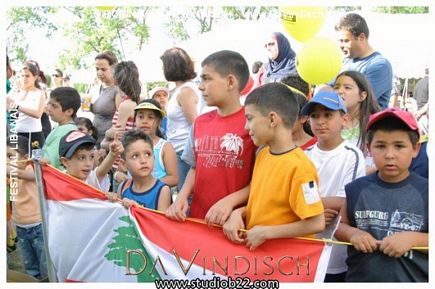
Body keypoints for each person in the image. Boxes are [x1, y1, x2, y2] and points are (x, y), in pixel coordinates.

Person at [223, 83, 325, 251]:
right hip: (260, 260)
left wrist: (267, 233)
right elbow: (264, 204)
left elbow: (316, 222)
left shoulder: (300, 168)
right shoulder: (263, 154)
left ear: (272, 119)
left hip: (284, 264)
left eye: (249, 118)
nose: (246, 127)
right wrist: (238, 213)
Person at [335, 108, 428, 282]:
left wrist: (413, 239)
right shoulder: (356, 189)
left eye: (399, 146)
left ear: (415, 149)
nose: (389, 155)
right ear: (369, 149)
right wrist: (353, 234)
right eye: (380, 146)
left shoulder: (428, 192)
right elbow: (340, 226)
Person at [165, 50, 256, 225]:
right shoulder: (199, 123)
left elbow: (263, 180)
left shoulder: (253, 123)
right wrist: (181, 197)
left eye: (207, 79)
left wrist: (231, 202)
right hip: (198, 220)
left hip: (235, 225)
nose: (200, 87)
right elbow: (194, 166)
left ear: (230, 82)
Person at [301, 91, 366, 281]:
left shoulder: (352, 155)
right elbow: (294, 196)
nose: (320, 121)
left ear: (344, 120)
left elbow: (347, 200)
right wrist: (317, 209)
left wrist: (311, 206)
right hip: (305, 244)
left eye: (328, 115)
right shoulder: (304, 155)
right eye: (315, 116)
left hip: (336, 250)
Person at [161, 47, 202, 192]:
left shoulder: (186, 91)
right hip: (177, 150)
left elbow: (196, 124)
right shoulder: (181, 89)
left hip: (184, 151)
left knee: (186, 195)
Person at [7, 135, 47, 280]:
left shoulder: (33, 169)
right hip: (20, 227)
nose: (6, 160)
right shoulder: (11, 174)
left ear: (25, 156)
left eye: (10, 156)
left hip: (38, 226)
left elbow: (24, 174)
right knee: (30, 266)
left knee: (45, 265)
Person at [335, 13, 393, 110]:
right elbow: (326, 88)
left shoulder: (379, 65)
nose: (341, 45)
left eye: (345, 41)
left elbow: (357, 101)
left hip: (367, 124)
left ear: (361, 37)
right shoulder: (344, 62)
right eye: (339, 41)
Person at [107, 129, 172, 211]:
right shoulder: (123, 187)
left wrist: (137, 209)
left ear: (154, 158)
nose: (143, 160)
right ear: (124, 164)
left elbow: (161, 223)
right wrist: (113, 201)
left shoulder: (162, 190)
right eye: (135, 156)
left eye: (148, 154)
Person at [333, 70, 380, 158]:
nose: (339, 91)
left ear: (362, 96)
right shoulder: (330, 123)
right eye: (336, 87)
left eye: (347, 88)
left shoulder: (375, 124)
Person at [133, 99, 178, 187]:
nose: (145, 121)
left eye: (150, 117)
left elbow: (174, 178)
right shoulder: (129, 145)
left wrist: (147, 185)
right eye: (141, 117)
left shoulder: (165, 147)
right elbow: (121, 169)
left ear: (159, 121)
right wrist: (118, 175)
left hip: (158, 198)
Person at [59, 130, 123, 191]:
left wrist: (112, 155)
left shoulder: (90, 180)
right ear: (65, 162)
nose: (88, 163)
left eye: (91, 157)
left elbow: (101, 172)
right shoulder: (56, 181)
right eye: (81, 158)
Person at [7, 60, 47, 151]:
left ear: (35, 77)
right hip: (17, 133)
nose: (24, 78)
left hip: (34, 134)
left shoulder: (39, 93)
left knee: (35, 162)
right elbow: (7, 104)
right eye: (22, 75)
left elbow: (38, 114)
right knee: (16, 162)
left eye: (27, 76)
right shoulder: (18, 92)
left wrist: (17, 107)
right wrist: (14, 89)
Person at [101, 60, 140, 150]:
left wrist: (106, 136)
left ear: (115, 80)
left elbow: (117, 135)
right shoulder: (134, 101)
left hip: (120, 159)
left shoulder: (126, 105)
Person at [43, 87, 81, 169]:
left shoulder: (64, 132)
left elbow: (49, 162)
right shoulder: (63, 127)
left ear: (69, 112)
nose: (48, 108)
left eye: (54, 106)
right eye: (49, 103)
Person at [91, 51, 122, 145]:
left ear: (114, 69)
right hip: (96, 139)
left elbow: (120, 120)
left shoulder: (118, 90)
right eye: (97, 69)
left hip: (108, 143)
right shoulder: (99, 87)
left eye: (103, 69)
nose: (99, 72)